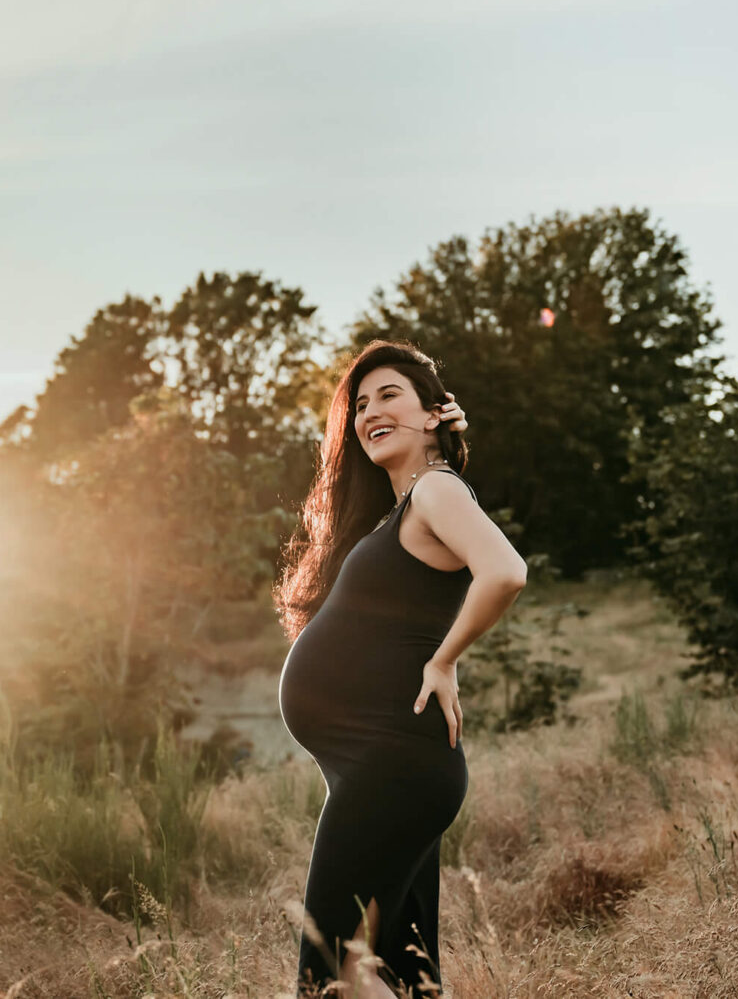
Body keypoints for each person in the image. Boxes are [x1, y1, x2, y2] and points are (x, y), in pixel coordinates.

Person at [275, 341, 529, 997]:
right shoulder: (405, 509)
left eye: (390, 394)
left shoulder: (435, 489)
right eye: (360, 403)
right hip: (389, 765)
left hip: (393, 765)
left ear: (431, 414)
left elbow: (505, 570)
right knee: (406, 976)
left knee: (330, 972)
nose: (369, 411)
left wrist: (445, 660)